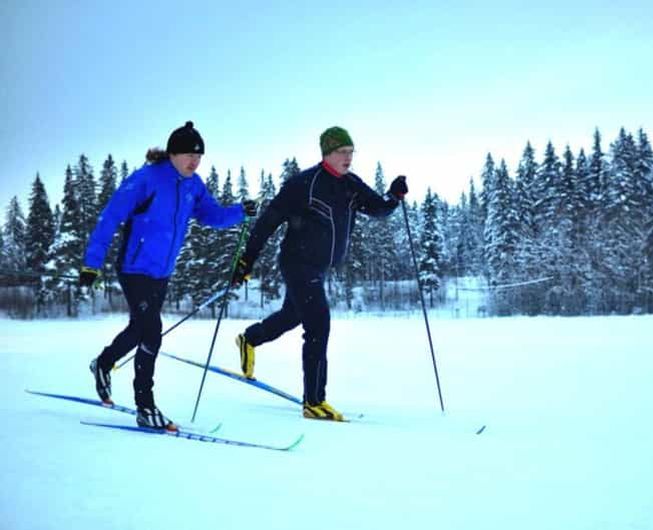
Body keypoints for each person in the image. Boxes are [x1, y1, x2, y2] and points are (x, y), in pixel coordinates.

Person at [79, 121, 258, 431]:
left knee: (139, 329)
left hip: (162, 272)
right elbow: (109, 217)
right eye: (189, 155)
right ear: (173, 154)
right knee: (152, 332)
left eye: (199, 156)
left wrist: (240, 211)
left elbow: (211, 215)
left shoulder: (194, 185)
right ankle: (145, 407)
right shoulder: (146, 179)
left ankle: (104, 364)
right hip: (134, 268)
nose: (195, 161)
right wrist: (91, 264)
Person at [231, 126, 408, 421]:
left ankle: (250, 339)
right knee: (318, 325)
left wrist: (393, 195)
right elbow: (267, 223)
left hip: (319, 267)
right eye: (342, 152)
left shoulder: (351, 185)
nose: (348, 157)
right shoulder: (304, 184)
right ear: (326, 152)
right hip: (296, 263)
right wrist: (246, 262)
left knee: (292, 316)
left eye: (351, 152)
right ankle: (314, 401)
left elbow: (378, 208)